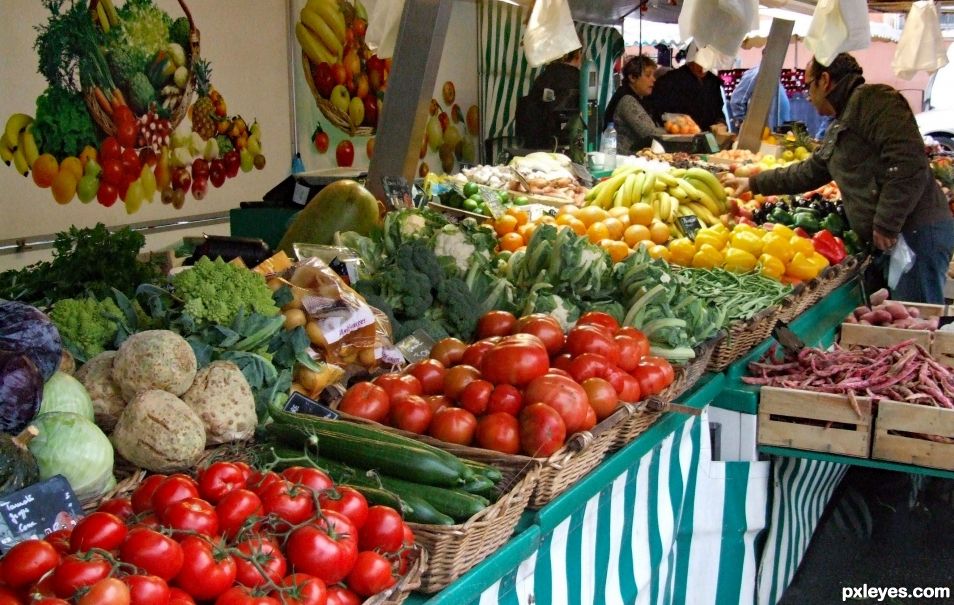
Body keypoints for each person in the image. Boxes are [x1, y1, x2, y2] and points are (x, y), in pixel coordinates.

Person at [724, 53, 954, 303]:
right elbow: (813, 170)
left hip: (915, 234)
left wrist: (887, 222)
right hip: (899, 237)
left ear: (824, 80)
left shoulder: (876, 102)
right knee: (901, 321)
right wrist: (754, 183)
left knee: (916, 322)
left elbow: (907, 163)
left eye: (808, 85)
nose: (807, 96)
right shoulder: (845, 118)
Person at [649, 44, 727, 132]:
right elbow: (658, 109)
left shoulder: (713, 82)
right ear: (691, 58)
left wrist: (721, 123)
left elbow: (718, 110)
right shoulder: (670, 80)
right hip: (680, 137)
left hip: (709, 137)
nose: (702, 68)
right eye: (700, 63)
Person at [516, 48, 583, 149]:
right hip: (566, 150)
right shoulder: (581, 80)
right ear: (578, 54)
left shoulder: (544, 77)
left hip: (534, 148)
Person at [603, 55, 666, 154]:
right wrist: (678, 131)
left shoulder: (641, 98)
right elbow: (650, 132)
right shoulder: (627, 100)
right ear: (632, 77)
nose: (653, 80)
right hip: (624, 159)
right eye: (648, 75)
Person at [729, 65, 791, 131]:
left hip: (777, 131)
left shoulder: (774, 73)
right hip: (760, 133)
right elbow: (737, 100)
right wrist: (744, 125)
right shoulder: (757, 73)